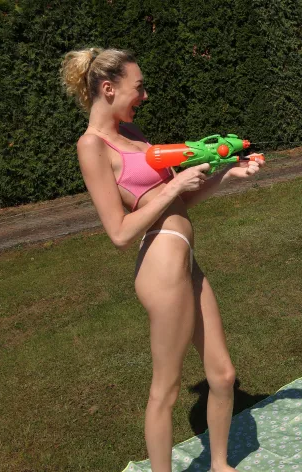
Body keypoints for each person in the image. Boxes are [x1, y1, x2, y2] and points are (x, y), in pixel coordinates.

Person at [61, 47, 263, 471]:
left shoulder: (133, 133)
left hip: (185, 261)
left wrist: (228, 173)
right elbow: (119, 233)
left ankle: (220, 465)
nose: (145, 96)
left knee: (223, 375)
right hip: (161, 266)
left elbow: (181, 198)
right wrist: (173, 188)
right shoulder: (92, 146)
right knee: (166, 390)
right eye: (139, 88)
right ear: (109, 88)